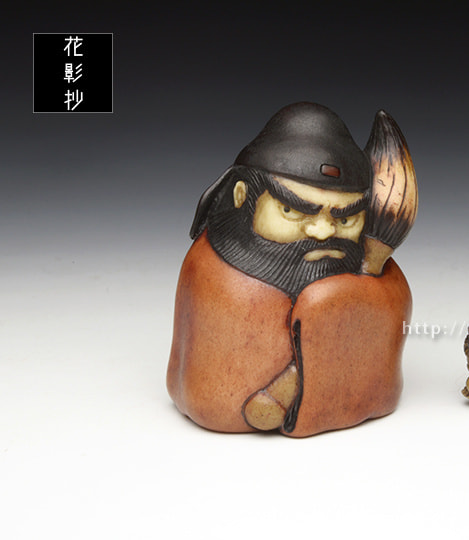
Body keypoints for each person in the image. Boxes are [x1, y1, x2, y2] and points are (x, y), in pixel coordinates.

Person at [167, 102, 416, 437]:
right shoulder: (214, 273)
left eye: (345, 219)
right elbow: (223, 403)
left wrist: (350, 299)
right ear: (242, 196)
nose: (323, 232)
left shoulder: (367, 272)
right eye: (291, 210)